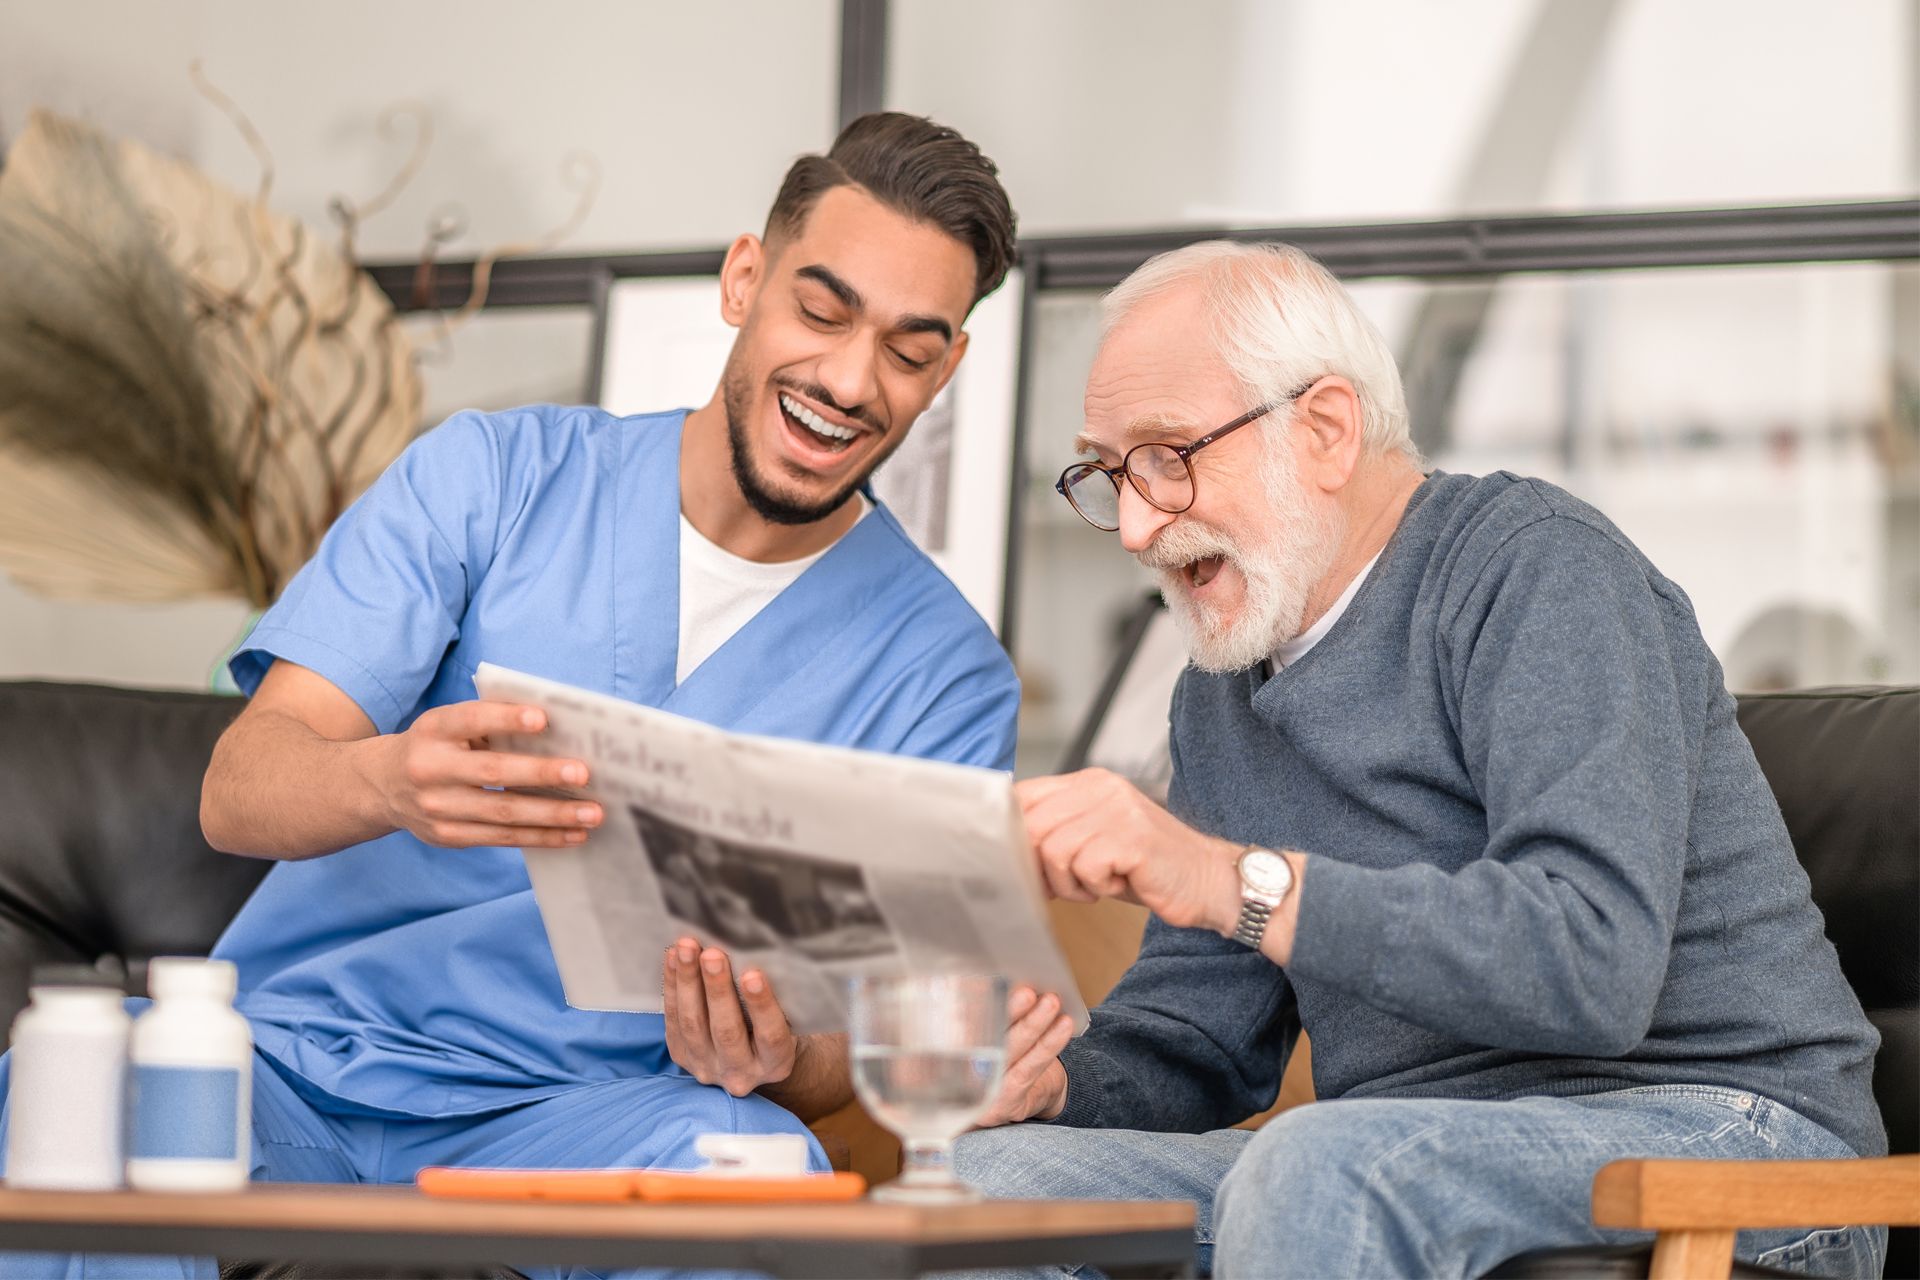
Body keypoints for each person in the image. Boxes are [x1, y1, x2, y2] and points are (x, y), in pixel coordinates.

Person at [0, 112, 1022, 1280]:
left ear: (947, 370)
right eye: (823, 311)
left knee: (762, 1169)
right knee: (88, 1100)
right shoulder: (490, 479)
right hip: (296, 1069)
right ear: (746, 278)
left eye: (907, 349)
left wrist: (783, 1052)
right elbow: (240, 789)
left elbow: (870, 1043)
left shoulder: (945, 677)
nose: (848, 379)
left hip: (591, 1120)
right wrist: (386, 780)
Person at [955, 241, 1887, 1279]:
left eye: (1169, 456)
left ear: (1325, 428)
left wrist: (1228, 880)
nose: (1134, 527)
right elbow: (1199, 1036)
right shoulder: (1219, 693)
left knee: (1316, 1168)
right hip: (1402, 1149)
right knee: (983, 1186)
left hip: (1725, 1135)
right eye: (1111, 472)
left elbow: (1591, 964)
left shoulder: (1539, 568)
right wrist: (1061, 1084)